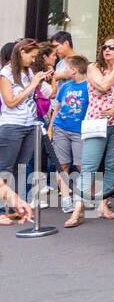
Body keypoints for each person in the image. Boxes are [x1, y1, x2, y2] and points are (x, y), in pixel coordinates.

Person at [72, 36, 114, 224]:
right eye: (104, 47)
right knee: (89, 166)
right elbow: (102, 85)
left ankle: (103, 203)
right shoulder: (94, 67)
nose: (107, 50)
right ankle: (78, 208)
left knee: (112, 166)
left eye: (112, 47)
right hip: (96, 122)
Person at [0, 41, 48, 224]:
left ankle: (16, 207)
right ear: (21, 52)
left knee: (21, 167)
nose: (33, 59)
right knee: (4, 169)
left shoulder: (27, 73)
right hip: (12, 125)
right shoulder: (6, 73)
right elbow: (10, 102)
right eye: (32, 55)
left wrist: (39, 81)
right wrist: (32, 85)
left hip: (30, 125)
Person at [49, 56, 90, 217]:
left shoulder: (89, 87)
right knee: (62, 164)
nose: (63, 71)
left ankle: (85, 197)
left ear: (74, 70)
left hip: (79, 130)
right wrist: (51, 128)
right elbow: (57, 109)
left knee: (82, 165)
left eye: (66, 68)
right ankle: (66, 199)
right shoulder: (65, 86)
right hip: (61, 127)